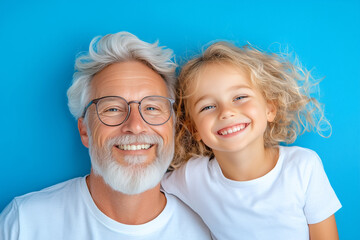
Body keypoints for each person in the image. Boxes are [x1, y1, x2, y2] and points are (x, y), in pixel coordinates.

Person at [0, 32, 212, 239]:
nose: (135, 126)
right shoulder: (24, 224)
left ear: (173, 125)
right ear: (85, 131)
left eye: (152, 108)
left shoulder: (210, 229)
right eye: (112, 109)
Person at [161, 41, 342, 240]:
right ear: (195, 129)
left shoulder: (302, 167)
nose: (227, 112)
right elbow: (145, 192)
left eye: (240, 97)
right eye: (207, 107)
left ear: (270, 108)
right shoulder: (192, 177)